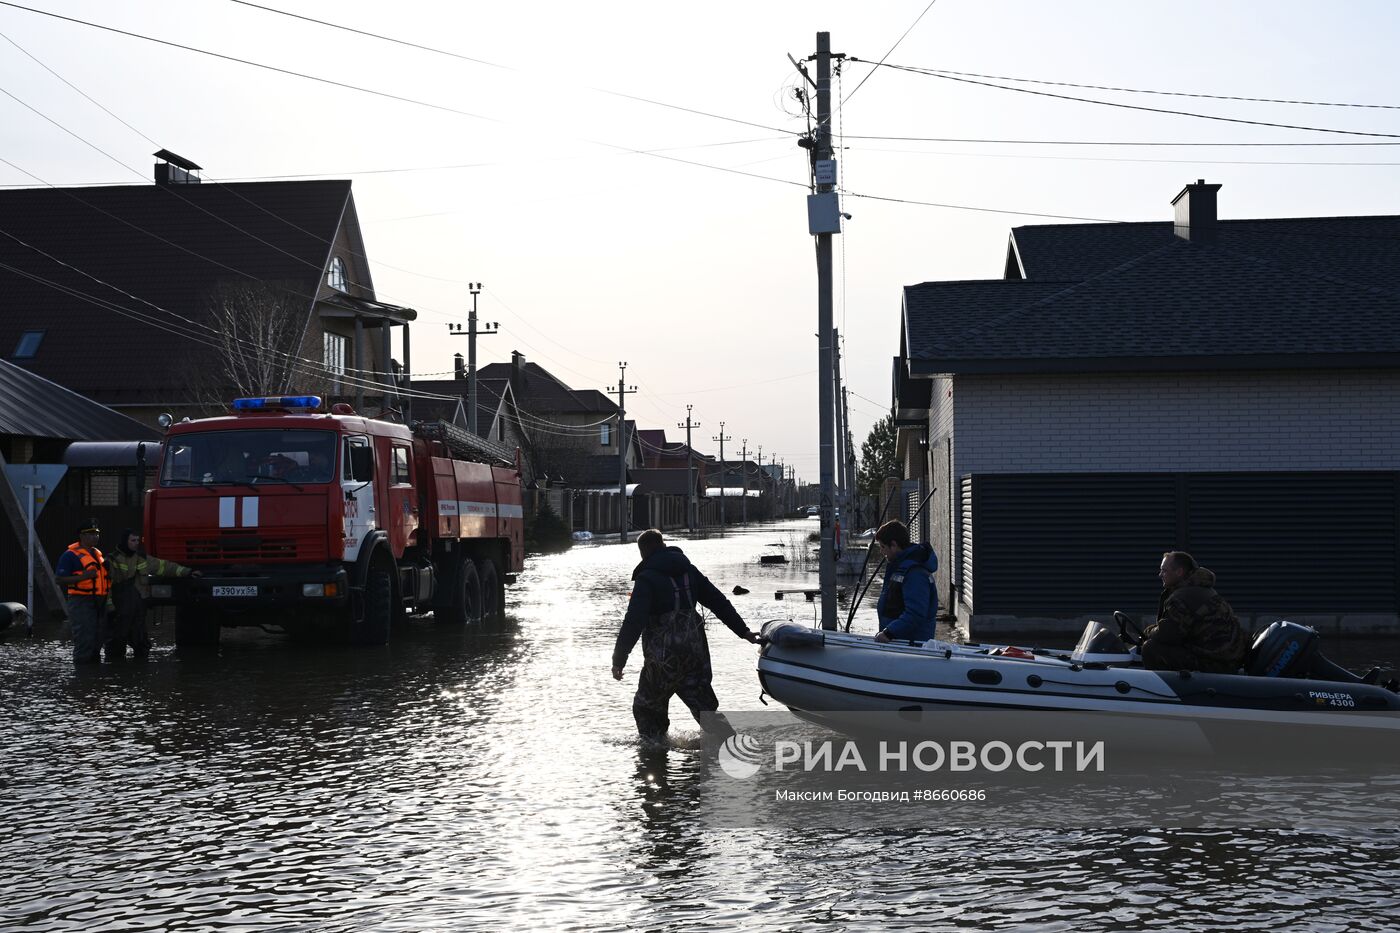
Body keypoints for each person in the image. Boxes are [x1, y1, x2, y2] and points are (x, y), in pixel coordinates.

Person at [611, 529, 760, 744]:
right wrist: (744, 632)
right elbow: (718, 601)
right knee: (705, 709)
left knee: (647, 707)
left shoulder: (646, 578)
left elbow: (633, 622)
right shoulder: (689, 571)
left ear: (643, 552)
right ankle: (733, 747)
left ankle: (655, 760)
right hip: (694, 654)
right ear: (663, 545)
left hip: (663, 659)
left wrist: (619, 660)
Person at [1140, 550, 1248, 673]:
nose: (1160, 574)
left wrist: (1148, 631)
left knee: (1150, 648)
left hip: (1214, 663)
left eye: (1164, 570)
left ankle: (1164, 690)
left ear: (1179, 572)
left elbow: (1168, 635)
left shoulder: (1182, 597)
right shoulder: (1202, 590)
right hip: (1227, 659)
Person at [105, 529, 200, 661]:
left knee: (142, 646)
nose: (136, 543)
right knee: (115, 649)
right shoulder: (112, 560)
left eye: (138, 540)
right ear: (124, 541)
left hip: (138, 612)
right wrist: (110, 609)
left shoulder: (142, 558)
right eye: (133, 540)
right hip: (120, 613)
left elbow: (164, 567)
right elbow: (105, 586)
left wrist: (188, 572)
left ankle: (138, 676)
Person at [53, 520, 110, 665]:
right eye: (91, 534)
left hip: (99, 600)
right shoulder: (70, 555)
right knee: (84, 638)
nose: (95, 537)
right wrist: (83, 576)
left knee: (98, 638)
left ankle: (93, 676)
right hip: (81, 601)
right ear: (81, 536)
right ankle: (82, 676)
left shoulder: (98, 554)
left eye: (97, 534)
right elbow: (59, 579)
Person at [872, 519, 939, 644]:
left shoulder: (915, 574)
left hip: (911, 646)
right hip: (899, 642)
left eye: (883, 547)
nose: (882, 552)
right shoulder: (899, 567)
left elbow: (916, 614)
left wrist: (888, 633)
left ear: (894, 545)